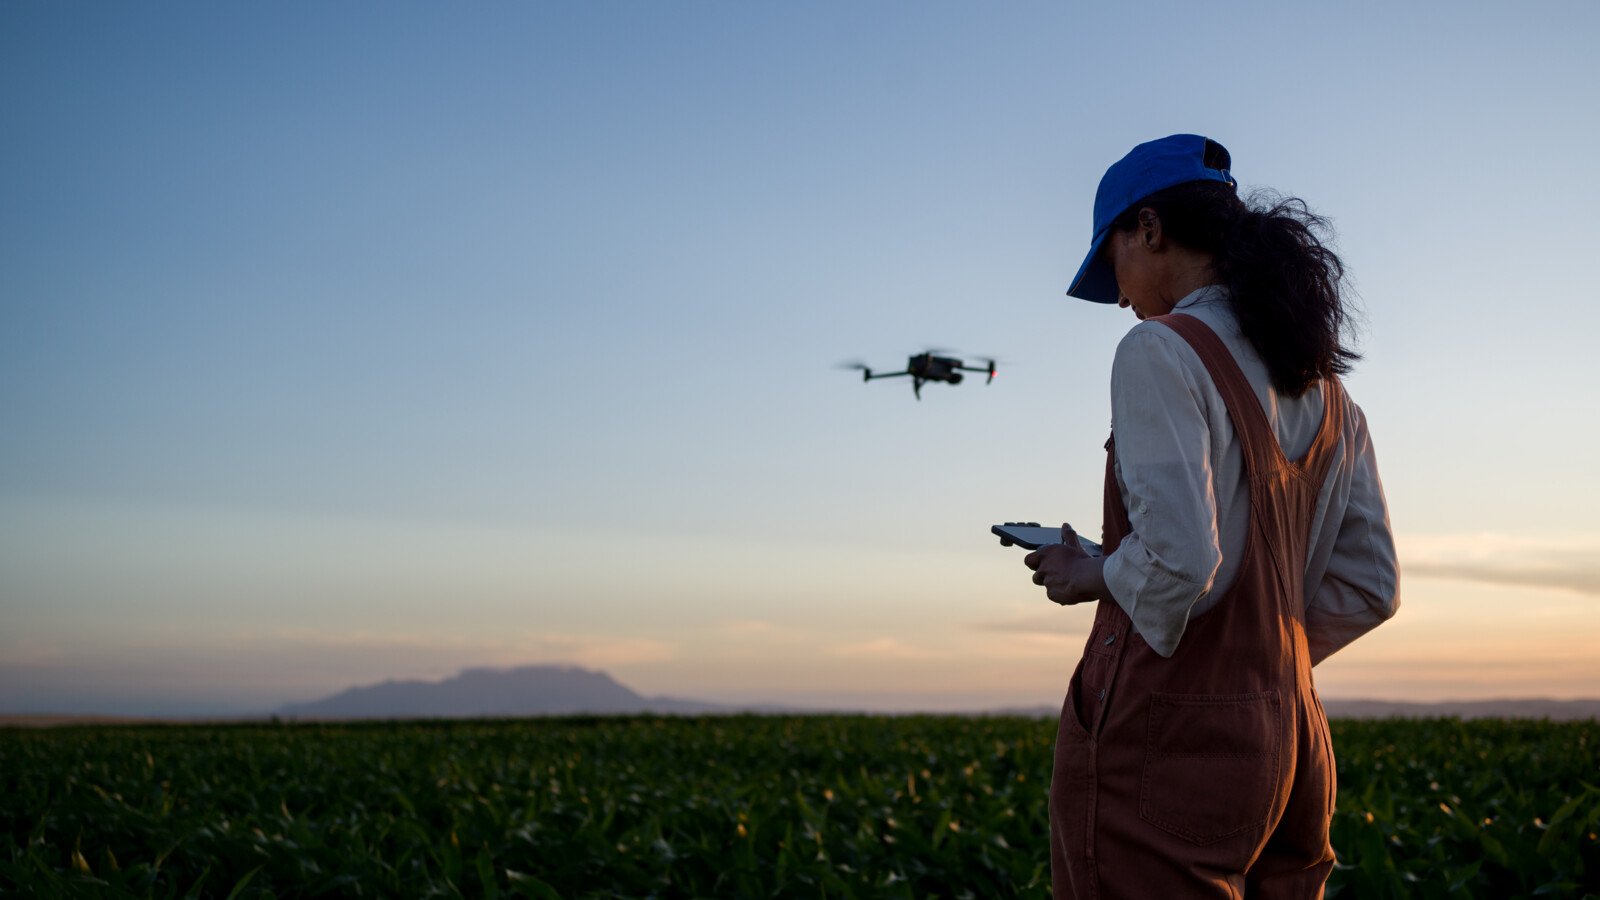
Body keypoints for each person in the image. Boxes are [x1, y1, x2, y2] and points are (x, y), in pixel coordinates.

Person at [1025, 134, 1399, 899]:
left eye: (1114, 264)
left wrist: (1087, 572)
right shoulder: (1327, 388)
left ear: (1151, 229)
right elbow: (1372, 587)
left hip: (1170, 753)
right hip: (1292, 746)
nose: (1122, 297)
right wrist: (1255, 668)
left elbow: (1182, 563)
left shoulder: (1158, 351)